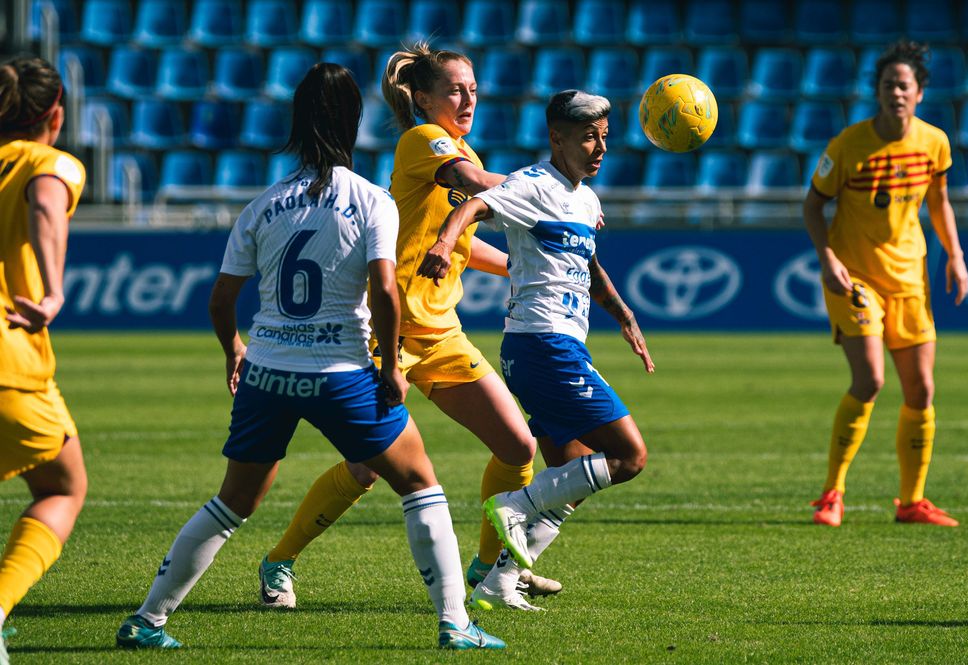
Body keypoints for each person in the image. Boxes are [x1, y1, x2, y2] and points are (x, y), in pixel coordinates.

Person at [114, 63, 503, 651]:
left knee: (231, 502)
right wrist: (392, 367)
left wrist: (234, 350)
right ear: (355, 121)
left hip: (268, 372)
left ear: (297, 124)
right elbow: (385, 290)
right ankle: (455, 624)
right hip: (342, 371)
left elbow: (222, 298)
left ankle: (147, 620)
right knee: (421, 485)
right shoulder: (371, 200)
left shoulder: (264, 204)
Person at [257, 43, 559, 612]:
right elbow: (476, 182)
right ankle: (279, 561)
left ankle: (488, 569)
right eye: (454, 90)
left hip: (440, 334)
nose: (468, 98)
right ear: (422, 98)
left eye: (473, 88)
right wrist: (555, 194)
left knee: (518, 444)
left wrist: (525, 263)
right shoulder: (424, 141)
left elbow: (465, 244)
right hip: (386, 332)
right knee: (365, 469)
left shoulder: (458, 150)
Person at [417, 89, 656, 608]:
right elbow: (477, 205)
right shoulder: (532, 184)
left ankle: (499, 583)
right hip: (541, 344)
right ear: (557, 137)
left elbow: (588, 266)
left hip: (558, 345)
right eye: (588, 137)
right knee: (629, 455)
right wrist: (442, 241)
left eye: (604, 138)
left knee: (569, 482)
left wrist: (624, 314)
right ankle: (514, 504)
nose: (599, 148)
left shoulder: (586, 200)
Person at [803, 40, 968, 528]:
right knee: (870, 379)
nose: (895, 92)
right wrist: (828, 257)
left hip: (911, 278)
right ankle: (832, 494)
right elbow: (813, 205)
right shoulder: (847, 145)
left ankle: (912, 502)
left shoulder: (934, 142)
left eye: (904, 85)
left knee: (921, 391)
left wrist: (955, 255)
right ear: (877, 92)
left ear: (919, 93)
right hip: (855, 277)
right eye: (887, 85)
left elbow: (938, 200)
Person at [0, 56, 88, 665]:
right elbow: (45, 205)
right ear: (54, 114)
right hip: (9, 355)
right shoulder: (48, 161)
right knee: (61, 486)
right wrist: (53, 291)